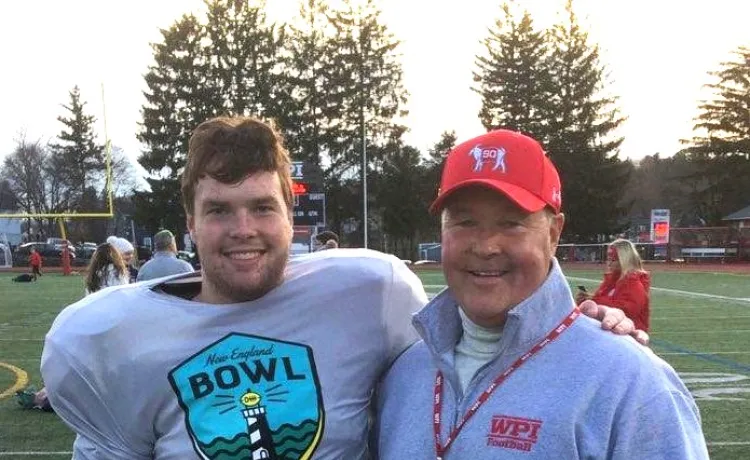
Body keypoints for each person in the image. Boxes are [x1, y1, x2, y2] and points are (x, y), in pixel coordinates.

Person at [41, 117, 642, 460]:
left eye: (262, 207)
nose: (243, 230)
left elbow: (480, 338)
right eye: (220, 210)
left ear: (290, 215)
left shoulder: (368, 292)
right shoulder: (111, 338)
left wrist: (578, 330)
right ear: (191, 221)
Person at [376, 130, 708, 459]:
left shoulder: (629, 381)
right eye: (464, 221)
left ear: (553, 234)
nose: (486, 245)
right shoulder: (404, 372)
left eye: (511, 223)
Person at [16, 242, 129, 411]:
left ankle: (44, 396)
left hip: (91, 325)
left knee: (82, 366)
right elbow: (123, 299)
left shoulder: (94, 276)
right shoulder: (118, 274)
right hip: (111, 327)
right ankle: (48, 398)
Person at [576, 238, 651, 332]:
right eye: (608, 259)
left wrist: (594, 301)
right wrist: (586, 300)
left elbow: (626, 311)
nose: (609, 263)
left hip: (627, 337)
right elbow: (605, 302)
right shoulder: (612, 280)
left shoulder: (634, 284)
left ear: (624, 261)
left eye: (613, 260)